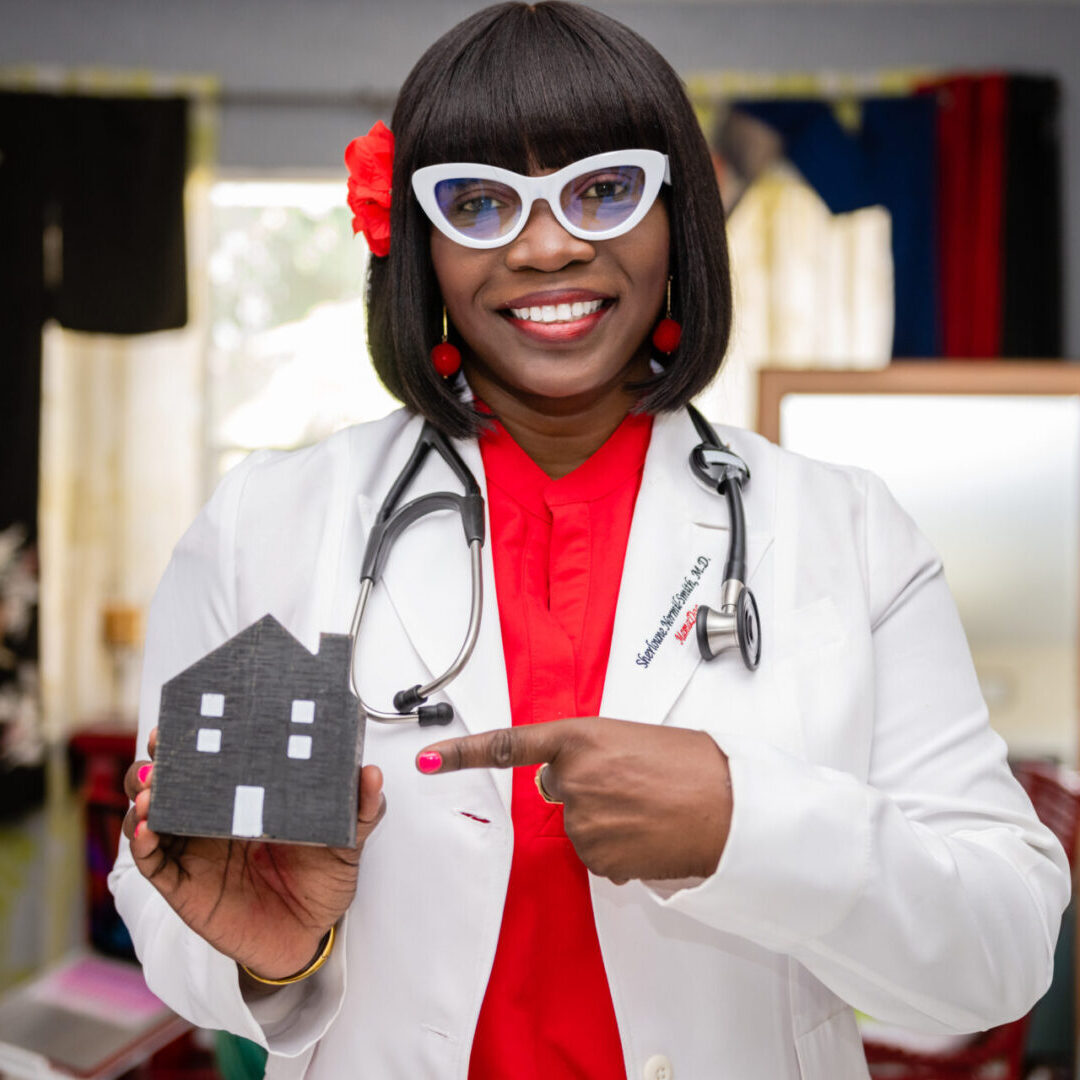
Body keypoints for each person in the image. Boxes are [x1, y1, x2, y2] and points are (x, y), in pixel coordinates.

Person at [109, 4, 1070, 1078]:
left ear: (677, 219)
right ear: (419, 242)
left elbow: (1001, 949)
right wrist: (274, 960)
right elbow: (181, 885)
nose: (548, 245)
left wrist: (744, 827)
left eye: (603, 190)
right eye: (479, 202)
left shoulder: (843, 532)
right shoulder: (276, 532)